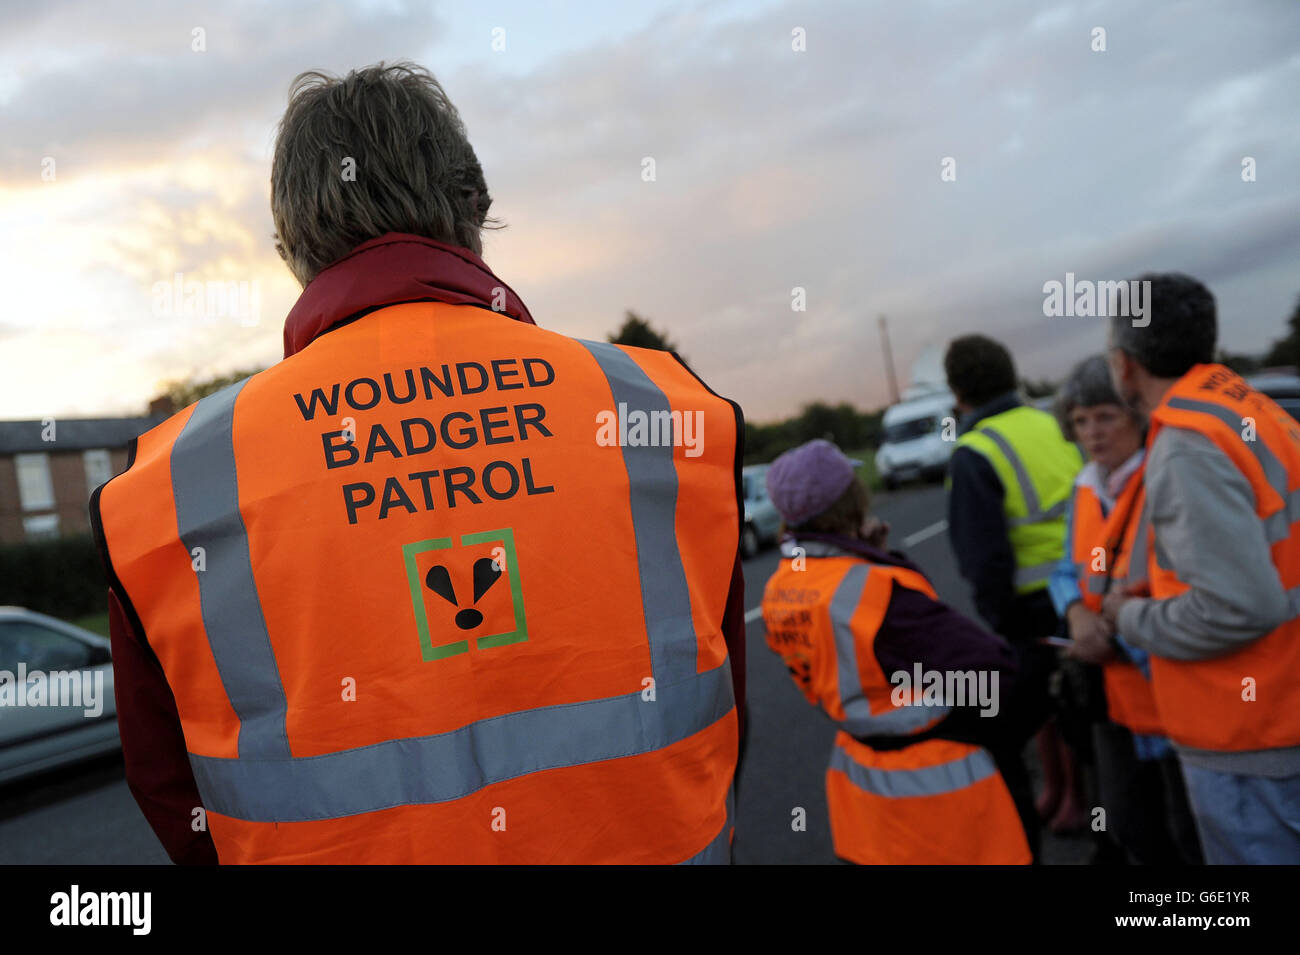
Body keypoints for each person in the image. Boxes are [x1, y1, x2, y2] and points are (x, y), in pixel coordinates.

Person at [89, 62, 745, 864]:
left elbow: (171, 792)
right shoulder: (659, 412)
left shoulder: (170, 487)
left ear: (293, 244)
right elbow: (724, 710)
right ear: (473, 206)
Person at [1104, 272, 1300, 864]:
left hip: (1251, 739)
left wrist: (1131, 616)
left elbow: (1242, 605)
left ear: (1125, 365)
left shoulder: (1188, 442)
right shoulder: (1250, 410)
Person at [761, 439, 1031, 864]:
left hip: (865, 798)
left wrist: (872, 557)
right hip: (942, 796)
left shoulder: (782, 586)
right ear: (854, 501)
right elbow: (996, 675)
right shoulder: (874, 590)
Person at [1048, 355, 1202, 864]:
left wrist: (1118, 629)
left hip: (1181, 695)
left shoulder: (1168, 476)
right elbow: (1066, 570)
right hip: (1118, 701)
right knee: (1132, 826)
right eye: (1080, 420)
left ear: (1136, 415)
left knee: (1193, 835)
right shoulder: (1086, 488)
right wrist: (1077, 616)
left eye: (1106, 416)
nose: (1092, 432)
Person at [943, 334, 1086, 843]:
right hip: (1088, 586)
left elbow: (984, 559)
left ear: (959, 391)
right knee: (1070, 700)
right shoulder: (1052, 424)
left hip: (1029, 605)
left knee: (1047, 703)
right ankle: (1066, 793)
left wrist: (999, 619)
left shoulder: (974, 451)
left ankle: (1065, 799)